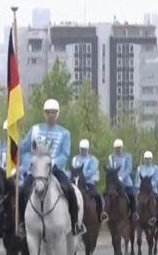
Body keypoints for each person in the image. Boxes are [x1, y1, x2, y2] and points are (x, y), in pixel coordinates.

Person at [17, 98, 84, 235]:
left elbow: (65, 154)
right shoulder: (35, 130)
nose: (50, 115)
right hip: (37, 171)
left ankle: (75, 223)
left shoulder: (64, 133)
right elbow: (24, 147)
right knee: (23, 190)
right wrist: (14, 142)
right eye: (48, 112)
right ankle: (23, 224)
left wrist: (53, 162)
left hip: (55, 170)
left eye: (53, 112)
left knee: (70, 190)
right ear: (44, 113)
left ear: (57, 114)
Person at [71, 139, 104, 221]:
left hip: (88, 182)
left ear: (88, 149)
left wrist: (81, 176)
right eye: (82, 149)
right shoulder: (75, 159)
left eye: (85, 149)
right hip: (74, 182)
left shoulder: (93, 159)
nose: (83, 151)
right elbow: (72, 169)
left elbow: (92, 171)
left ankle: (100, 214)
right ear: (79, 149)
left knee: (97, 196)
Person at [107, 138, 137, 220]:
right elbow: (110, 168)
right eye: (116, 148)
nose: (118, 150)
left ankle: (134, 213)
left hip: (126, 182)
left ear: (122, 148)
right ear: (114, 149)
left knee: (132, 195)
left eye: (119, 148)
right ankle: (104, 212)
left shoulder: (128, 156)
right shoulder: (111, 157)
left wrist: (121, 177)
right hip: (114, 183)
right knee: (106, 194)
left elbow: (129, 169)